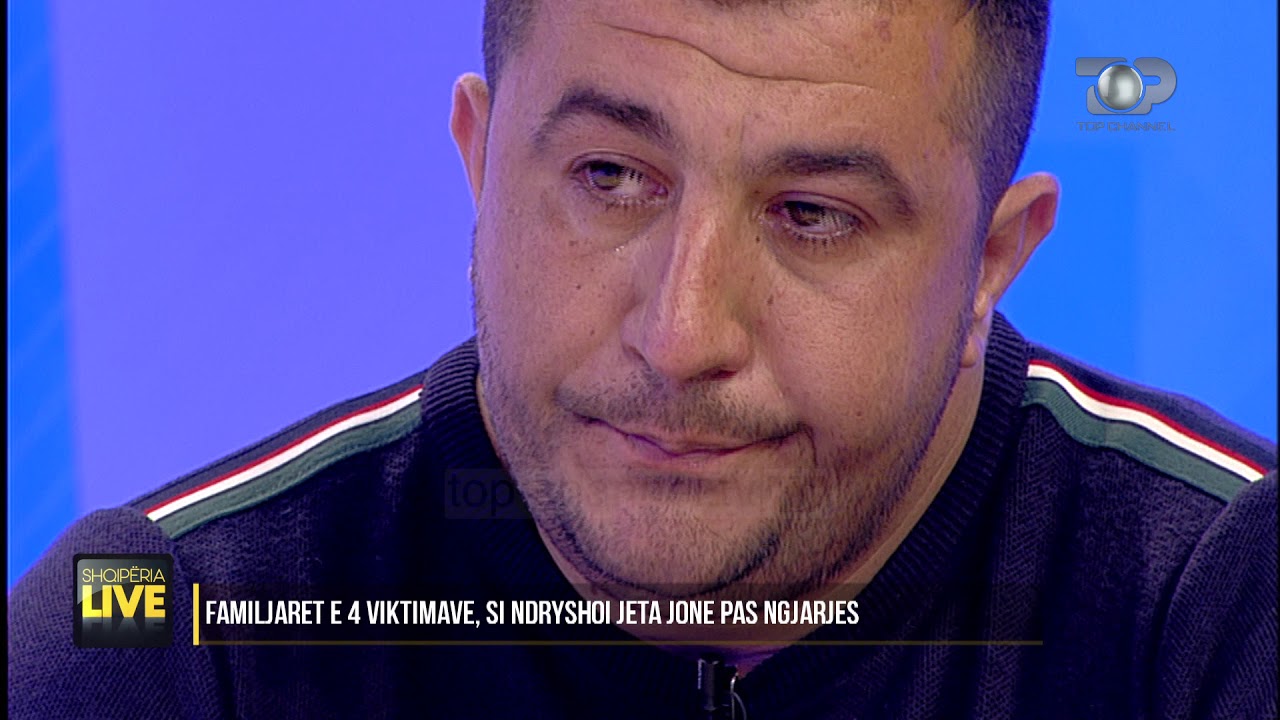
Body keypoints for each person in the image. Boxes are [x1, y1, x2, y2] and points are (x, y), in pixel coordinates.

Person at [9, 0, 1277, 717]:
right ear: (479, 163)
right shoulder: (179, 640)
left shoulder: (1219, 606)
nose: (679, 336)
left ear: (989, 261)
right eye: (609, 178)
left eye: (811, 215)